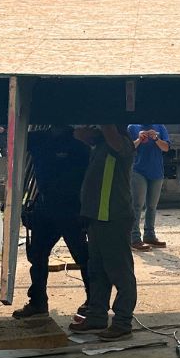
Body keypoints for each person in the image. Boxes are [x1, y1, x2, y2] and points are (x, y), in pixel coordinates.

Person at [12, 125, 90, 320]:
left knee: (84, 257)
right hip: (46, 207)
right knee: (38, 256)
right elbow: (14, 134)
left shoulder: (79, 144)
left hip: (72, 209)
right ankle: (38, 302)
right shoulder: (39, 140)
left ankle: (94, 303)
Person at [69, 124, 137, 340]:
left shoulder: (121, 145)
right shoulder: (98, 147)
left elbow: (109, 132)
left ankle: (122, 322)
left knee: (120, 272)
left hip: (114, 218)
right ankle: (97, 316)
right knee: (97, 270)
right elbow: (84, 136)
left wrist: (102, 117)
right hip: (96, 218)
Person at [127, 123, 170, 249]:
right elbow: (128, 148)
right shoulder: (132, 128)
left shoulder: (161, 127)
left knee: (152, 206)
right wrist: (139, 139)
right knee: (137, 205)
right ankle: (134, 238)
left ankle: (149, 236)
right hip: (138, 171)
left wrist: (156, 138)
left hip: (156, 172)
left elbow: (166, 148)